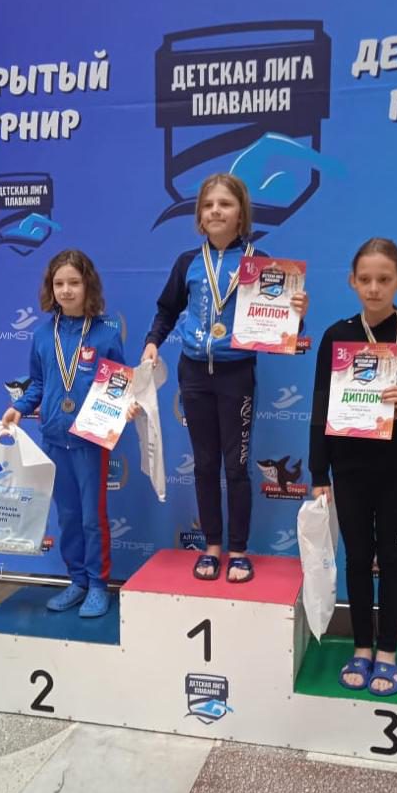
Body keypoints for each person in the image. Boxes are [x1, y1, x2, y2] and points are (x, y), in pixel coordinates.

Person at [142, 173, 308, 584]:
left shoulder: (261, 264)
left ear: (241, 214)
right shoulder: (187, 262)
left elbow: (283, 327)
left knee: (236, 467)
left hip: (236, 376)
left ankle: (238, 551)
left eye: (225, 204)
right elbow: (166, 310)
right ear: (200, 215)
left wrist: (297, 312)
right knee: (204, 464)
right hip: (194, 374)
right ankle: (211, 546)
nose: (216, 210)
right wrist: (152, 343)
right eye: (208, 204)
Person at [308, 238, 397, 695]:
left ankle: (387, 651)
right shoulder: (337, 335)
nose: (374, 288)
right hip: (348, 468)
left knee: (392, 559)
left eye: (384, 279)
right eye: (365, 279)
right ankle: (361, 648)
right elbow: (320, 406)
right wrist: (318, 473)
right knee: (356, 557)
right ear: (352, 281)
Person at [2, 249, 124, 617]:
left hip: (90, 442)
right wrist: (20, 407)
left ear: (88, 286)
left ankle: (98, 585)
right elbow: (38, 383)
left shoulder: (106, 334)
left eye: (74, 282)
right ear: (50, 288)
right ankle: (78, 581)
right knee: (68, 516)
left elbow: (117, 386)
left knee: (91, 518)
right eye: (59, 283)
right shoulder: (43, 334)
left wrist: (125, 405)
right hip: (54, 438)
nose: (66, 290)